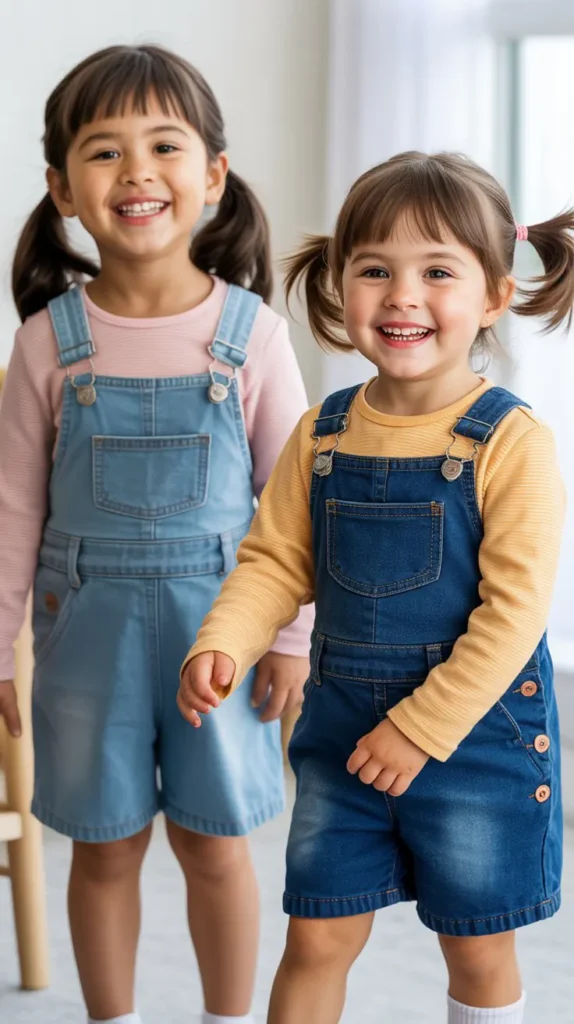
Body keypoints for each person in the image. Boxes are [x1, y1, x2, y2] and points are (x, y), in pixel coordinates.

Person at [179, 151, 570, 1024]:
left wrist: (422, 730)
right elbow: (276, 560)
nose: (402, 295)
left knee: (477, 941)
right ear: (339, 282)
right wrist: (224, 642)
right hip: (345, 735)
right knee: (316, 937)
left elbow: (514, 619)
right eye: (375, 270)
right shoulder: (323, 434)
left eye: (437, 271)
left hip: (474, 739)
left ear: (494, 296)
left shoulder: (511, 444)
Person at [0, 44, 312, 1024]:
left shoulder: (252, 332)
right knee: (105, 843)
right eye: (103, 151)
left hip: (223, 627)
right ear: (61, 189)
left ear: (212, 175)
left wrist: (295, 639)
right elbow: (13, 509)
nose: (135, 172)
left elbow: (293, 504)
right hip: (84, 633)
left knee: (214, 844)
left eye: (163, 145)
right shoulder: (48, 339)